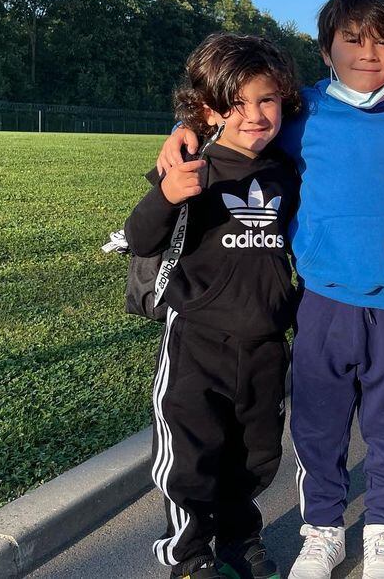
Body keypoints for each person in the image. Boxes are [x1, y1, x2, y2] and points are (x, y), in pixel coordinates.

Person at [157, 0, 384, 579]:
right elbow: (233, 118)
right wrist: (183, 132)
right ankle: (324, 529)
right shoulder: (300, 114)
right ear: (325, 48)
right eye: (352, 39)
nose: (367, 53)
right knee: (318, 426)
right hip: (323, 302)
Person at [126, 33, 301, 579]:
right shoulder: (190, 164)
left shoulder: (285, 171)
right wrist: (167, 193)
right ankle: (189, 554)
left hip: (267, 342)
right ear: (207, 109)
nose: (253, 115)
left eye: (266, 100)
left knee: (255, 456)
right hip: (198, 343)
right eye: (236, 102)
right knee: (191, 457)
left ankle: (238, 539)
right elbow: (139, 236)